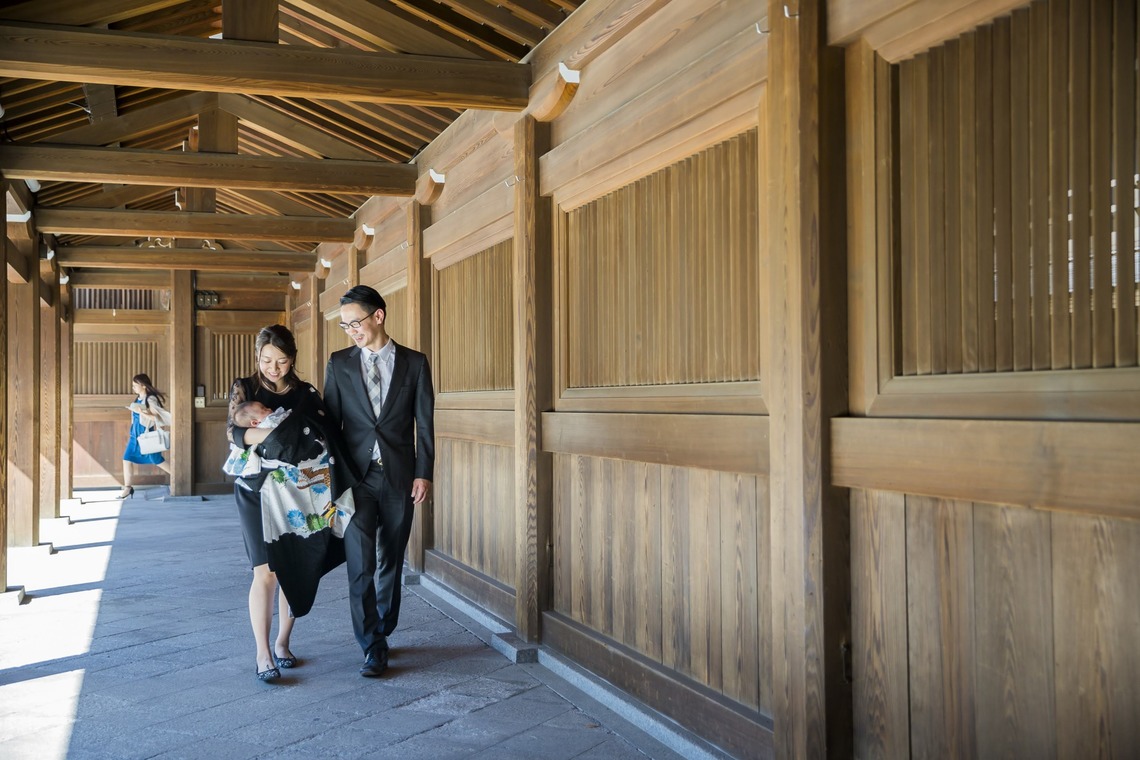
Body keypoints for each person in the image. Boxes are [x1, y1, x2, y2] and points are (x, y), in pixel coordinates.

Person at [227, 324, 355, 682]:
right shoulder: (245, 388)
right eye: (266, 360)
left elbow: (327, 435)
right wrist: (275, 432)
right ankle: (262, 653)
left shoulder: (307, 394)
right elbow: (235, 433)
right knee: (264, 571)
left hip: (300, 491)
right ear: (257, 357)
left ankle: (283, 642)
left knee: (293, 567)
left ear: (292, 359)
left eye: (281, 361)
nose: (273, 368)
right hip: (257, 488)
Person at [324, 285, 435, 678]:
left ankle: (384, 629)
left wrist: (424, 472)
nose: (351, 330)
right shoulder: (338, 364)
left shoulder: (415, 363)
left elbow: (425, 423)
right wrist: (331, 481)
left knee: (391, 558)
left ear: (378, 316)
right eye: (345, 325)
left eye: (356, 322)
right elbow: (331, 427)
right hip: (355, 479)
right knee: (360, 563)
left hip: (400, 476)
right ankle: (371, 645)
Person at [120, 373, 172, 499]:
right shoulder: (137, 399)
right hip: (135, 434)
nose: (133, 388)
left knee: (156, 459)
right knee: (127, 458)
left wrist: (141, 412)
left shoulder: (150, 399)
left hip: (146, 434)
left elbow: (155, 418)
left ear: (143, 385)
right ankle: (128, 487)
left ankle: (178, 477)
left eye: (135, 385)